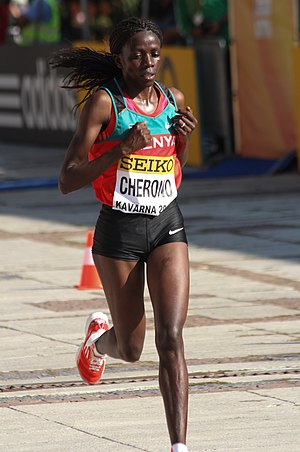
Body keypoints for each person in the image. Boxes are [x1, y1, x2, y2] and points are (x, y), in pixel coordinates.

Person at [49, 16, 197, 452]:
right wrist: (120, 149)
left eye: (154, 53)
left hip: (167, 222)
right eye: (137, 54)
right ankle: (99, 340)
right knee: (131, 349)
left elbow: (175, 166)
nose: (148, 62)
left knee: (171, 336)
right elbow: (66, 179)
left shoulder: (173, 98)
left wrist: (183, 141)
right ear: (120, 58)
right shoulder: (103, 103)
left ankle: (179, 446)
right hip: (119, 231)